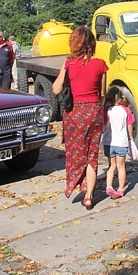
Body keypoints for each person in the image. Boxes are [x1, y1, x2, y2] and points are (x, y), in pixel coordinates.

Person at [52, 26, 108, 209]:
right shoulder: (101, 64)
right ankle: (89, 196)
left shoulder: (69, 64)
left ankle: (75, 183)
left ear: (74, 44)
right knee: (92, 154)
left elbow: (56, 89)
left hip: (75, 114)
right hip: (94, 112)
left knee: (76, 153)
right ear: (92, 44)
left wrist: (65, 67)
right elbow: (102, 94)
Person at [102, 86, 135, 199]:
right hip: (121, 142)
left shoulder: (106, 110)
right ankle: (120, 189)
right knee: (121, 167)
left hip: (108, 142)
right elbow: (130, 125)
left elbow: (103, 124)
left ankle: (109, 186)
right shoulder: (126, 111)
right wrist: (131, 137)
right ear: (120, 98)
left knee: (111, 166)